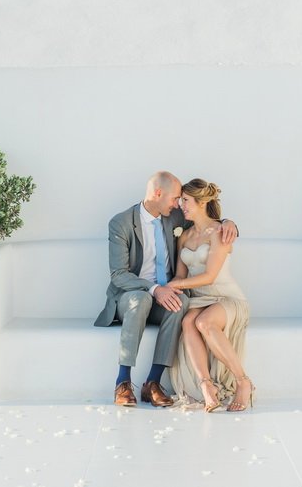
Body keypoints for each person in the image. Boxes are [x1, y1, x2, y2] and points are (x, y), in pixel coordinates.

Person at [95, 171, 238, 407]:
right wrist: (154, 289)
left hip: (165, 297)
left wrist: (228, 223)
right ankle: (122, 382)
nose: (179, 205)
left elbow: (204, 221)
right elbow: (119, 275)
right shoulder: (120, 223)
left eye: (182, 200)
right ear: (158, 193)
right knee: (140, 299)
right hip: (131, 297)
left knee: (181, 303)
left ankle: (153, 382)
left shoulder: (173, 219)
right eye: (175, 199)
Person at [167, 178, 253, 412]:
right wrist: (166, 287)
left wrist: (178, 285)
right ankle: (206, 386)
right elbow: (179, 274)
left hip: (227, 297)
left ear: (202, 202)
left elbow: (210, 276)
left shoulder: (220, 231)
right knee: (188, 321)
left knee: (204, 322)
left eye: (185, 200)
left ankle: (243, 381)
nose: (180, 205)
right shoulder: (184, 236)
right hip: (199, 299)